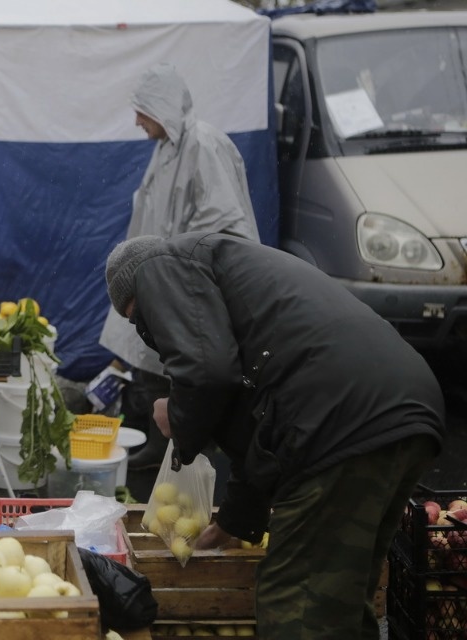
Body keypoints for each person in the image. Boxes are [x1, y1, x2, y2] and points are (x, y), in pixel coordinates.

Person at [104, 231, 445, 640]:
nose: (150, 328)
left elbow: (206, 373)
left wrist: (179, 419)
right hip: (400, 410)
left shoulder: (156, 266)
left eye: (139, 317)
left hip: (341, 422)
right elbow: (259, 427)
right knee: (340, 605)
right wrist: (233, 521)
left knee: (292, 603)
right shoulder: (226, 282)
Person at [99, 62, 260, 472]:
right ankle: (166, 444)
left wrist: (178, 258)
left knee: (193, 361)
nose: (136, 120)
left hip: (196, 278)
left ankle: (197, 447)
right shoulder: (167, 149)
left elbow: (226, 222)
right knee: (159, 354)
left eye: (142, 110)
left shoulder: (203, 145)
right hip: (169, 275)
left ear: (162, 107)